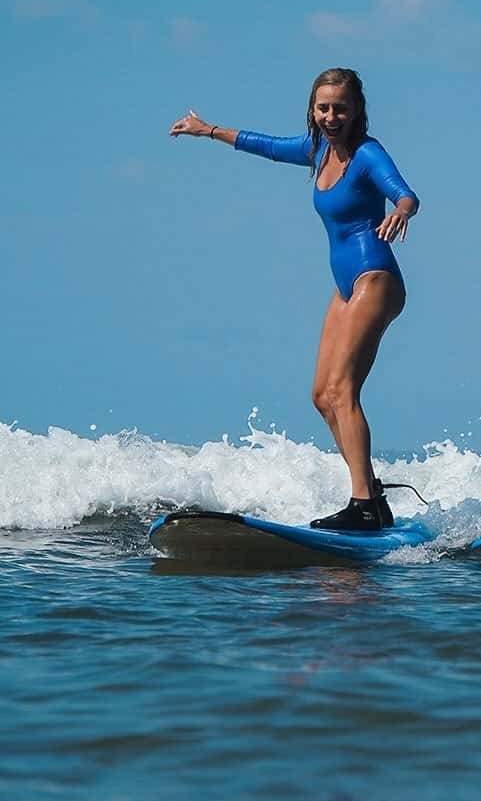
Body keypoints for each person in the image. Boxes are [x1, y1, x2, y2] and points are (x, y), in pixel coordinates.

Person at [169, 68, 419, 531]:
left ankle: (363, 505)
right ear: (313, 109)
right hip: (345, 285)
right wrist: (208, 131)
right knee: (322, 397)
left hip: (375, 277)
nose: (330, 116)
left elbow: (404, 194)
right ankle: (373, 496)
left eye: (340, 108)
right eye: (323, 107)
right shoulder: (317, 150)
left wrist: (401, 212)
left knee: (344, 391)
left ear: (357, 111)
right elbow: (264, 145)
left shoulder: (368, 154)